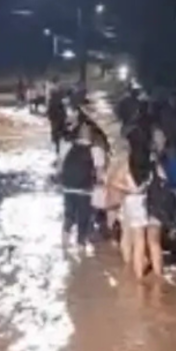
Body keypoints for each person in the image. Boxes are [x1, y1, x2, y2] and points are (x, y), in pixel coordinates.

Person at [112, 129, 165, 281]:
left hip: (133, 201)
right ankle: (158, 276)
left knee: (138, 241)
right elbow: (163, 179)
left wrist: (131, 189)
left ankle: (139, 277)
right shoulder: (153, 163)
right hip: (151, 201)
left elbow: (114, 182)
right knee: (154, 241)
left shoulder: (128, 164)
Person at [60, 122, 98, 254]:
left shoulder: (67, 146)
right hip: (84, 191)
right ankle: (81, 251)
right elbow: (100, 172)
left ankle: (64, 246)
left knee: (68, 216)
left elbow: (60, 165)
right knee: (83, 219)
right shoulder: (95, 150)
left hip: (68, 188)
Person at [46, 85, 68, 157]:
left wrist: (50, 116)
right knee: (60, 132)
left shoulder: (52, 101)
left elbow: (49, 111)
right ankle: (58, 148)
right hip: (58, 119)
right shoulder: (58, 100)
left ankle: (57, 148)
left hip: (56, 119)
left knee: (56, 133)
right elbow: (63, 110)